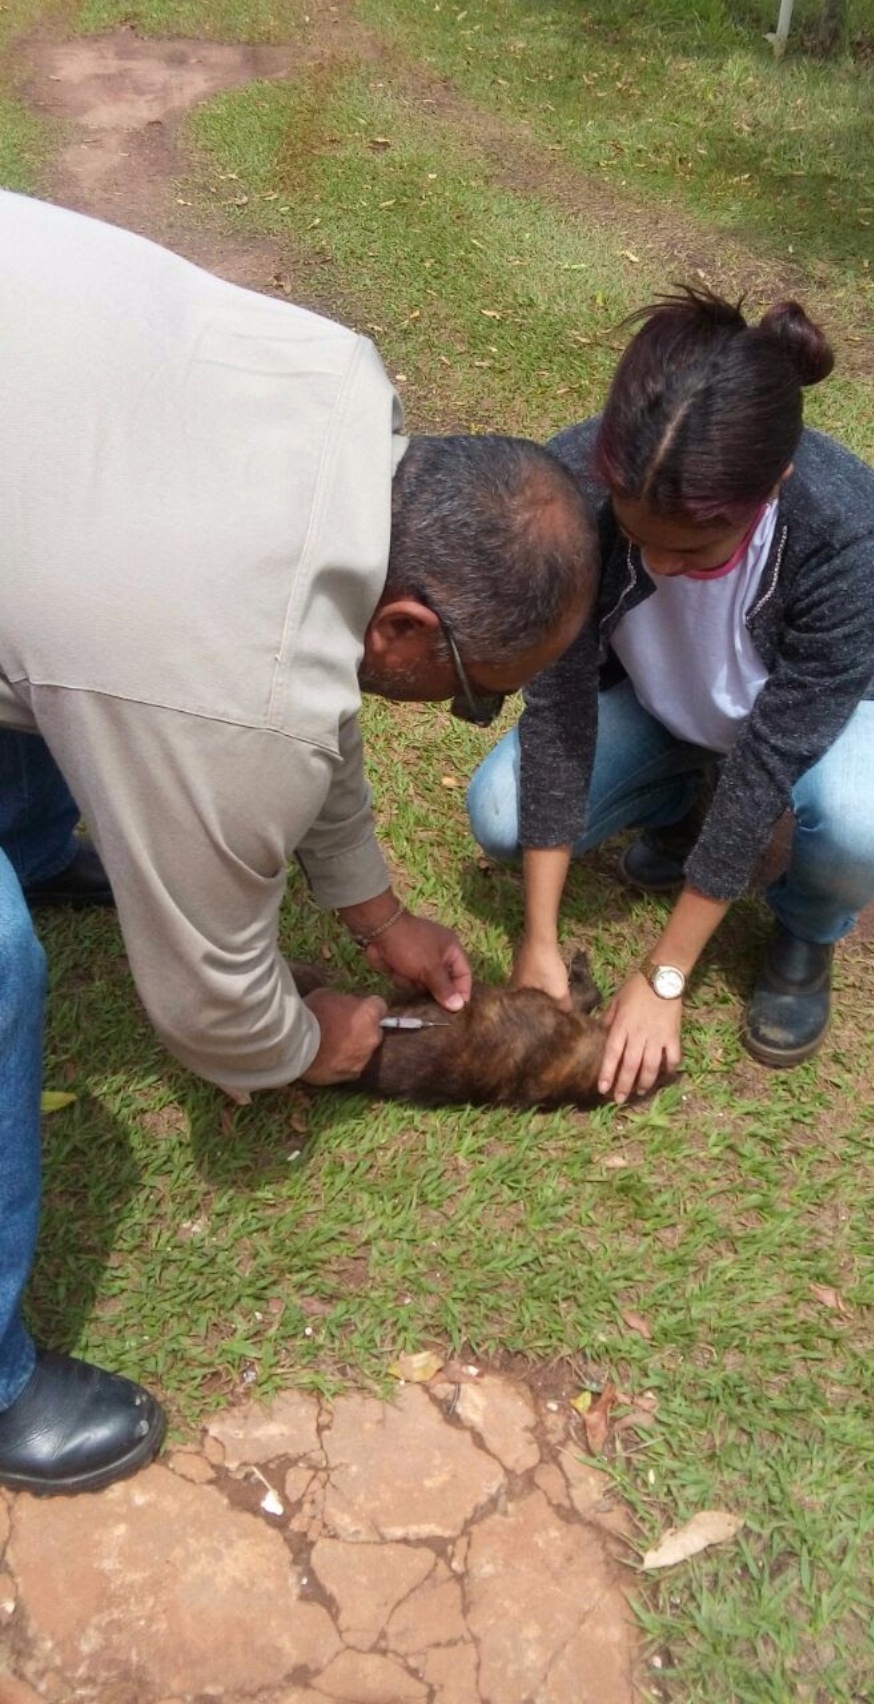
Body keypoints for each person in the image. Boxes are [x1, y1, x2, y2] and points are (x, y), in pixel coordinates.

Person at [0, 190, 599, 1494]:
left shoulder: (347, 391)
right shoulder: (232, 683)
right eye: (481, 688)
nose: (473, 711)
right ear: (404, 628)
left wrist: (375, 913)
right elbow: (212, 1013)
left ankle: (36, 834)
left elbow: (305, 682)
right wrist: (307, 1039)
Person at [468, 287, 874, 1102]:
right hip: (672, 691)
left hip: (818, 700)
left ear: (775, 483)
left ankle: (804, 928)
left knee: (864, 827)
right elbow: (558, 709)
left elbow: (772, 754)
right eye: (639, 536)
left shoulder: (849, 528)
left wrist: (663, 977)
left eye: (693, 549)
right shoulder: (567, 492)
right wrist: (538, 941)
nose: (657, 565)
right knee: (504, 816)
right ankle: (684, 795)